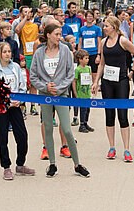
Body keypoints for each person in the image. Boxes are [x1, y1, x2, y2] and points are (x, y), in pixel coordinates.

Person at [30, 23, 90, 178]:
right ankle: (52, 164)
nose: (59, 37)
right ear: (48, 35)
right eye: (56, 34)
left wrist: (60, 88)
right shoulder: (38, 53)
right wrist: (45, 86)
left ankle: (77, 164)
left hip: (61, 95)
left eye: (60, 34)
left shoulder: (65, 50)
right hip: (45, 95)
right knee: (48, 128)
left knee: (67, 129)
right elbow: (33, 76)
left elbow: (70, 74)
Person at [91, 16, 134, 162]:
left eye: (106, 25)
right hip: (107, 81)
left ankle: (126, 149)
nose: (104, 28)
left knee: (123, 115)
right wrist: (96, 82)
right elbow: (101, 64)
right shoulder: (103, 42)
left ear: (113, 27)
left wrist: (132, 70)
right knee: (109, 114)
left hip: (121, 81)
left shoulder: (123, 40)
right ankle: (112, 147)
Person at [0, 42, 34, 179]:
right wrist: (5, 102)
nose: (7, 54)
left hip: (15, 106)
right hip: (1, 107)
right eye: (4, 52)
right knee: (3, 137)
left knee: (22, 135)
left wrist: (19, 100)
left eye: (9, 51)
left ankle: (20, 164)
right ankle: (6, 166)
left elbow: (22, 84)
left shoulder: (15, 67)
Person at [73, 49, 95, 133]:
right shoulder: (78, 70)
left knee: (88, 109)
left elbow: (89, 78)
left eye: (88, 58)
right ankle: (81, 124)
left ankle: (85, 123)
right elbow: (74, 81)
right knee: (83, 109)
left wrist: (92, 86)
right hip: (80, 93)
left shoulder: (88, 68)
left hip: (87, 92)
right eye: (86, 58)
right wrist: (75, 92)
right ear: (80, 59)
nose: (87, 60)